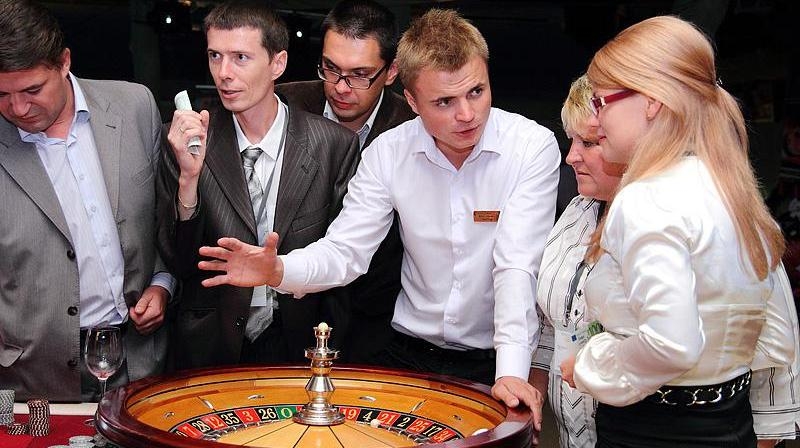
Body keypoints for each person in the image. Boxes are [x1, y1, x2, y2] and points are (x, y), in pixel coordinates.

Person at [197, 8, 560, 426]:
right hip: (405, 355)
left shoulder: (531, 147)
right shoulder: (387, 152)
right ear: (412, 101)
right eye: (444, 102)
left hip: (495, 360)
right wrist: (278, 269)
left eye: (476, 92)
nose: (467, 114)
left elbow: (516, 265)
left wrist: (512, 371)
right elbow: (346, 251)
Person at [558, 16, 797, 447]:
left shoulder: (647, 198)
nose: (597, 117)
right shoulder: (730, 189)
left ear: (651, 102)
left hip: (653, 430)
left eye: (601, 101)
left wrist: (594, 366)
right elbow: (777, 339)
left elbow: (672, 345)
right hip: (731, 423)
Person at [156, 1, 360, 369]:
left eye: (240, 58)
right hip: (211, 345)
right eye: (215, 56)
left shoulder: (333, 145)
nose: (224, 73)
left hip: (301, 342)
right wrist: (188, 179)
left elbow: (344, 259)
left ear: (277, 64)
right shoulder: (188, 140)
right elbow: (179, 262)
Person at [0, 0, 174, 402]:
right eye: (2, 94)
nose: (18, 108)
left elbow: (164, 217)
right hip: (28, 379)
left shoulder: (134, 106)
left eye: (32, 90)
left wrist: (162, 283)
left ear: (64, 62)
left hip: (139, 362)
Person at [275, 0, 415, 364]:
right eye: (331, 68)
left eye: (359, 74)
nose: (340, 87)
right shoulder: (283, 105)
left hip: (378, 321)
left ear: (391, 71)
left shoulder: (412, 128)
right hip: (287, 313)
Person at [529, 74, 622, 448]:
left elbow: (772, 361)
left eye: (589, 142)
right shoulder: (576, 211)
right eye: (572, 140)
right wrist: (531, 398)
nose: (571, 156)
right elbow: (553, 323)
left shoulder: (683, 216)